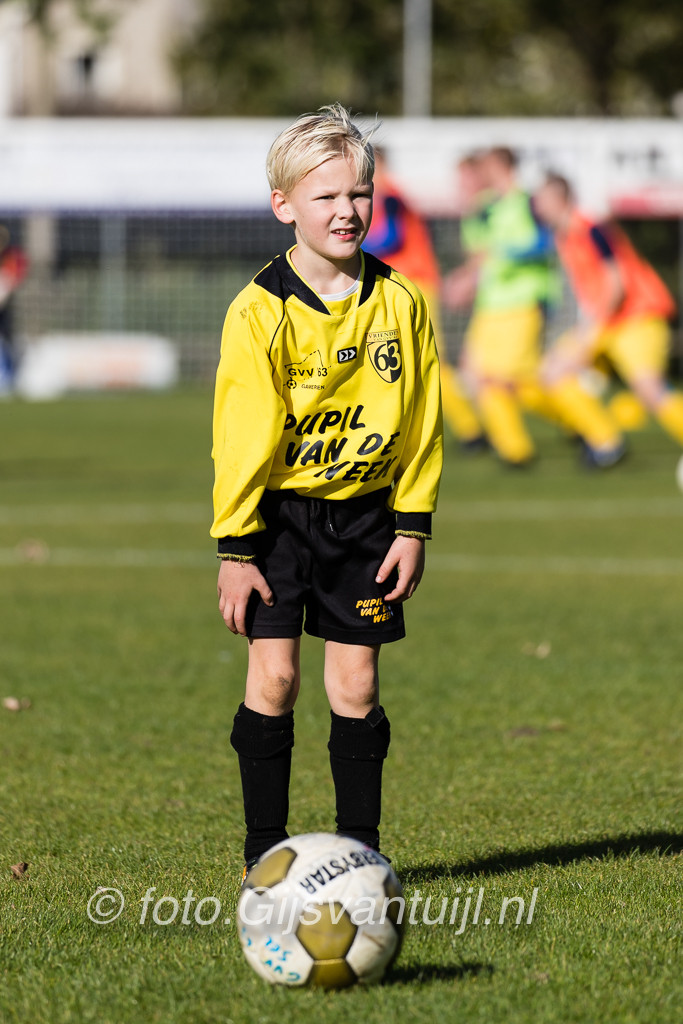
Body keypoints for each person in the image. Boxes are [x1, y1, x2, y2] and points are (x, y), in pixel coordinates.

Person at [210, 104, 443, 879]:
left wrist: (411, 526)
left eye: (359, 194)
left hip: (367, 520)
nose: (346, 211)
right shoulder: (259, 309)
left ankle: (360, 854)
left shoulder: (400, 301)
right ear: (284, 205)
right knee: (274, 678)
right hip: (276, 523)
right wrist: (236, 548)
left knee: (356, 682)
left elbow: (422, 419)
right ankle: (263, 858)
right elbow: (240, 435)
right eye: (326, 197)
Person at [444, 147, 624, 468]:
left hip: (523, 300)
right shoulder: (485, 209)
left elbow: (544, 242)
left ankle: (559, 436)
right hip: (490, 305)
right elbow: (481, 258)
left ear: (500, 167)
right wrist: (466, 280)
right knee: (495, 378)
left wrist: (503, 255)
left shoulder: (529, 203)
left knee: (504, 378)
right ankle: (521, 446)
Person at [535, 173, 683, 466]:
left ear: (559, 199)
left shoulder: (592, 229)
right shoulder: (563, 235)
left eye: (542, 200)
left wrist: (590, 330)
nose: (537, 206)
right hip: (607, 321)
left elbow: (617, 283)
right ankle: (606, 443)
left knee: (650, 389)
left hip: (637, 316)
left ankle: (605, 442)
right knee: (551, 371)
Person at [364, 147, 484, 449]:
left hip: (415, 285)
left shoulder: (390, 197)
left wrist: (351, 248)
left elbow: (392, 238)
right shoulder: (378, 197)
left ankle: (471, 430)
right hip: (398, 286)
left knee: (429, 359)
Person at [0, 225, 28, 392]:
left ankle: (12, 377)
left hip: (5, 309)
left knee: (9, 341)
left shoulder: (11, 256)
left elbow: (10, 281)